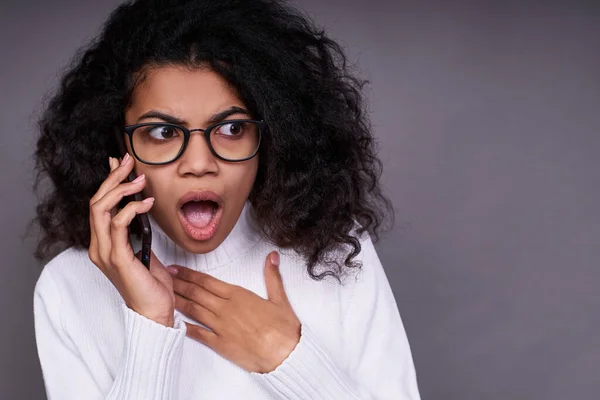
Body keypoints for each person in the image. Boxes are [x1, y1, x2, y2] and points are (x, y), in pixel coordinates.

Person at [32, 0, 420, 398]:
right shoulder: (69, 286)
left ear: (271, 135)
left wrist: (285, 356)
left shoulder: (335, 253)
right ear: (120, 142)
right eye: (163, 133)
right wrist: (149, 323)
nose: (199, 164)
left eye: (231, 128)